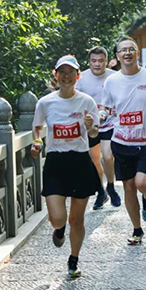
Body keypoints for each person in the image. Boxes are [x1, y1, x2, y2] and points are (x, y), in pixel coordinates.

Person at [31, 55, 100, 277]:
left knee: (76, 219)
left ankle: (73, 259)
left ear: (78, 76)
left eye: (71, 72)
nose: (67, 76)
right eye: (63, 72)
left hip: (79, 161)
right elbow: (37, 128)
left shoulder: (87, 101)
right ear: (56, 75)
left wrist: (90, 127)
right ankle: (59, 230)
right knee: (58, 217)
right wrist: (37, 142)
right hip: (56, 162)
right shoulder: (46, 102)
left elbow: (94, 132)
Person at [102, 37, 146, 245]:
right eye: (123, 50)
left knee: (142, 183)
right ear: (117, 56)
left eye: (131, 49)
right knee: (129, 187)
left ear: (138, 53)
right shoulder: (111, 81)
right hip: (121, 141)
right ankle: (137, 229)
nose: (127, 53)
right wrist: (101, 116)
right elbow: (106, 108)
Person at [76, 47, 121, 209]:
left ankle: (111, 185)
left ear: (107, 61)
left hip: (110, 123)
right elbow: (75, 99)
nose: (97, 64)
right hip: (90, 125)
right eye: (94, 61)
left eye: (101, 61)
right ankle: (101, 191)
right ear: (88, 62)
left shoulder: (114, 77)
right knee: (93, 160)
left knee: (108, 157)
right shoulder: (81, 78)